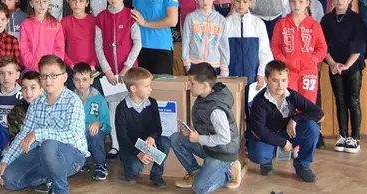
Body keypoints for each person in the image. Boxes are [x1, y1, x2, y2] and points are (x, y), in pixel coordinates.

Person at [0, 55, 89, 194]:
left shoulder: (73, 101)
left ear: (64, 77)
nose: (48, 80)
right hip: (45, 155)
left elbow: (73, 136)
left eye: (53, 75)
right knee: (9, 178)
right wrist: (6, 160)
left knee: (49, 144)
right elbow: (24, 134)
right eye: (44, 76)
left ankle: (60, 189)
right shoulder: (36, 103)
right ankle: (49, 178)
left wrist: (38, 133)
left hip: (73, 157)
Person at [170, 63, 243, 193]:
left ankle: (229, 172)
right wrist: (191, 130)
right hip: (209, 147)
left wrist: (199, 138)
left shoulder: (216, 109)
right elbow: (207, 126)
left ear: (204, 86)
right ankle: (196, 172)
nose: (188, 85)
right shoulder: (205, 97)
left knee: (200, 189)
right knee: (176, 138)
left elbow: (225, 138)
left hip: (222, 153)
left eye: (192, 83)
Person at [247, 60, 323, 183]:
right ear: (266, 79)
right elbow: (260, 131)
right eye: (275, 80)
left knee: (312, 127)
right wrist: (283, 143)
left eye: (283, 80)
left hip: (288, 132)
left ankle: (302, 165)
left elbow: (318, 113)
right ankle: (266, 162)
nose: (280, 85)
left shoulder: (292, 95)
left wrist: (295, 119)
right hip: (267, 136)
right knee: (258, 154)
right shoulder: (259, 101)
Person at [321, 0, 367, 153]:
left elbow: (359, 45)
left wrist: (347, 65)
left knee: (353, 100)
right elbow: (322, 45)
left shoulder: (356, 19)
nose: (339, 0)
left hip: (352, 65)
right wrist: (332, 63)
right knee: (340, 100)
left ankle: (355, 137)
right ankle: (342, 135)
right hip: (334, 66)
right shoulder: (326, 20)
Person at [94, 0, 141, 158]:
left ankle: (134, 144)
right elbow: (98, 47)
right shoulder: (101, 18)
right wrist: (107, 70)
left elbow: (137, 43)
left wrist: (126, 68)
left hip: (128, 73)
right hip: (110, 76)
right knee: (113, 108)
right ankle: (115, 145)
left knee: (132, 107)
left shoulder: (131, 15)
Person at [113, 67, 170, 186]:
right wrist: (138, 153)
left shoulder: (152, 103)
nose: (151, 89)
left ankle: (156, 175)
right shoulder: (122, 108)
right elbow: (122, 138)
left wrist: (152, 137)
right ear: (133, 88)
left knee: (165, 142)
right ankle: (129, 171)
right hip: (130, 146)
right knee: (135, 167)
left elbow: (157, 128)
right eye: (147, 86)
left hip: (148, 143)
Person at [271, 0, 327, 104]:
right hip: (287, 72)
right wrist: (283, 59)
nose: (297, 5)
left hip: (308, 72)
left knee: (307, 105)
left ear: (307, 3)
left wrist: (313, 59)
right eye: (293, 1)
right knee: (288, 105)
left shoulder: (314, 25)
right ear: (289, 2)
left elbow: (322, 48)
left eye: (301, 2)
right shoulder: (281, 24)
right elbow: (275, 46)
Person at [223, 0, 272, 100]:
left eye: (245, 1)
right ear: (232, 0)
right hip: (231, 77)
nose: (241, 5)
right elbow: (221, 51)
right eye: (237, 1)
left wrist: (261, 74)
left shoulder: (258, 24)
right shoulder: (225, 23)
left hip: (253, 77)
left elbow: (265, 52)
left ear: (251, 2)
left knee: (251, 108)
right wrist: (224, 75)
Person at [181, 0, 230, 75]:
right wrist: (187, 64)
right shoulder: (190, 18)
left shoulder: (221, 20)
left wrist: (224, 68)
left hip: (214, 65)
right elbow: (186, 41)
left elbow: (224, 45)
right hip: (194, 63)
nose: (205, 1)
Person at [72, 63, 110, 181]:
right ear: (72, 81)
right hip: (75, 138)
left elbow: (108, 126)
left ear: (91, 80)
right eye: (77, 80)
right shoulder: (70, 98)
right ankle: (82, 162)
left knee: (95, 133)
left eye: (84, 79)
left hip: (91, 136)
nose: (81, 83)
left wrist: (99, 124)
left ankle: (101, 165)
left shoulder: (99, 99)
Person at [19, 0, 66, 72]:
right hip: (32, 70)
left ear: (49, 3)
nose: (41, 5)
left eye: (44, 1)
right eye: (37, 2)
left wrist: (51, 67)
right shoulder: (25, 24)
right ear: (31, 4)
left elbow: (59, 49)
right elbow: (24, 49)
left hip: (51, 70)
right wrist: (35, 66)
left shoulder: (56, 24)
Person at [61, 0, 97, 75]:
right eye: (74, 0)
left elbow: (99, 46)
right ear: (69, 1)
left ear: (87, 3)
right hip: (71, 68)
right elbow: (60, 47)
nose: (77, 4)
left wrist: (93, 64)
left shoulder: (95, 21)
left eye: (81, 1)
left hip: (92, 68)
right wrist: (71, 65)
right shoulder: (65, 22)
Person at [0, 56, 23, 138]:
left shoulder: (23, 97)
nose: (6, 77)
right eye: (2, 73)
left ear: (17, 75)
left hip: (13, 136)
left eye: (10, 73)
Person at [7, 72, 41, 140]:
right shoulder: (17, 111)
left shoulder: (49, 108)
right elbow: (13, 135)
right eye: (24, 88)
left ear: (42, 89)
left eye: (33, 88)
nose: (28, 92)